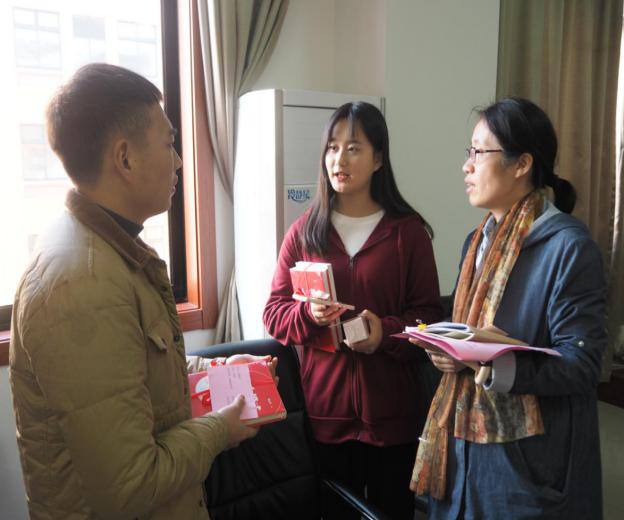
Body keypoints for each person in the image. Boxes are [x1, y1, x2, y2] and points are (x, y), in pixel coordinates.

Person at [9, 63, 276, 520]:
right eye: (169, 143)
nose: (179, 161)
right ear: (125, 159)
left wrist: (213, 370)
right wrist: (220, 430)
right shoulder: (81, 287)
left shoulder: (110, 249)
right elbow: (131, 485)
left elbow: (135, 372)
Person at [410, 97, 606, 519]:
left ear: (522, 164)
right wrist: (450, 352)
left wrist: (496, 363)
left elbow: (584, 364)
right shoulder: (476, 241)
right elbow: (469, 331)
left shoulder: (569, 248)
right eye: (469, 151)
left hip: (526, 462)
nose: (467, 165)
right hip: (463, 450)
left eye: (479, 152)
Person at [263, 101, 443, 519]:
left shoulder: (408, 233)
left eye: (354, 148)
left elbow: (431, 320)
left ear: (378, 159)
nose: (339, 160)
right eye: (332, 147)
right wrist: (307, 316)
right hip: (326, 414)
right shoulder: (305, 232)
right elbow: (273, 313)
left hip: (393, 418)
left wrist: (385, 333)